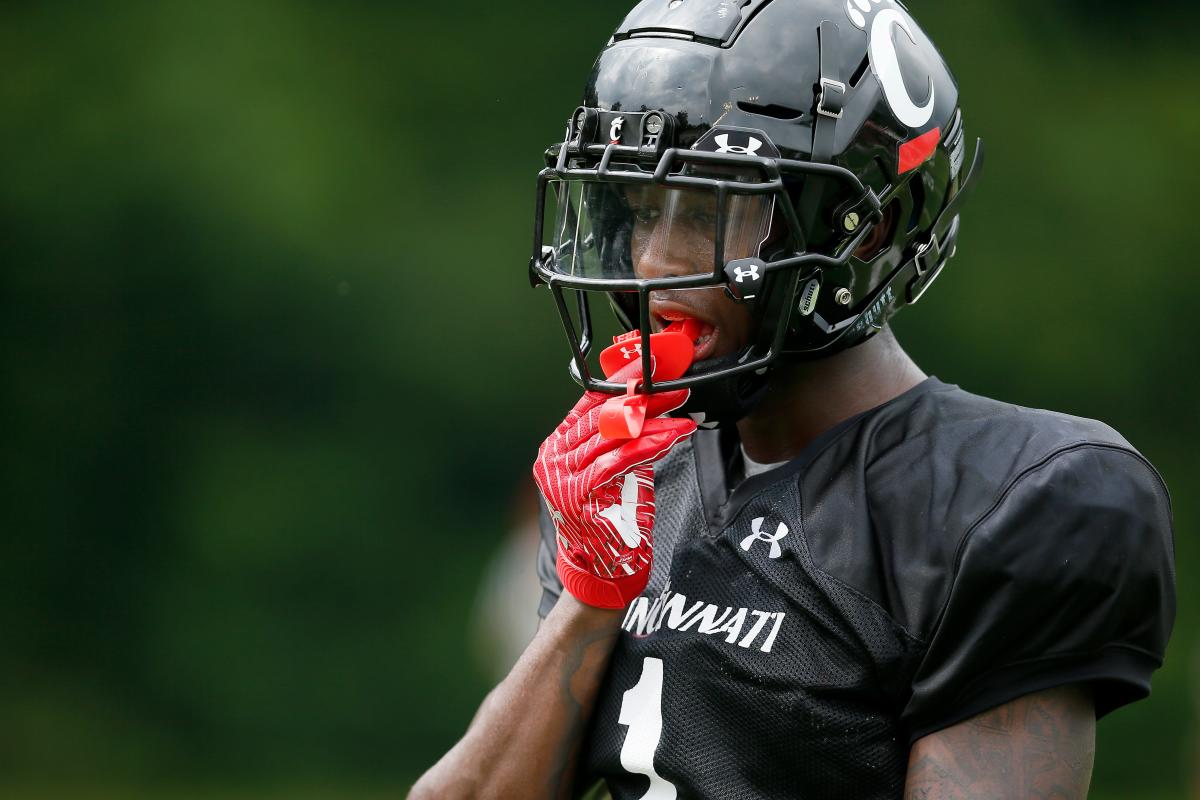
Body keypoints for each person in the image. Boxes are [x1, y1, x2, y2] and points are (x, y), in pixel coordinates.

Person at [411, 0, 1175, 797]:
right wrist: (590, 597)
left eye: (712, 212)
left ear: (862, 232)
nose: (656, 262)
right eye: (643, 211)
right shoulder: (633, 481)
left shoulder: (1010, 500)